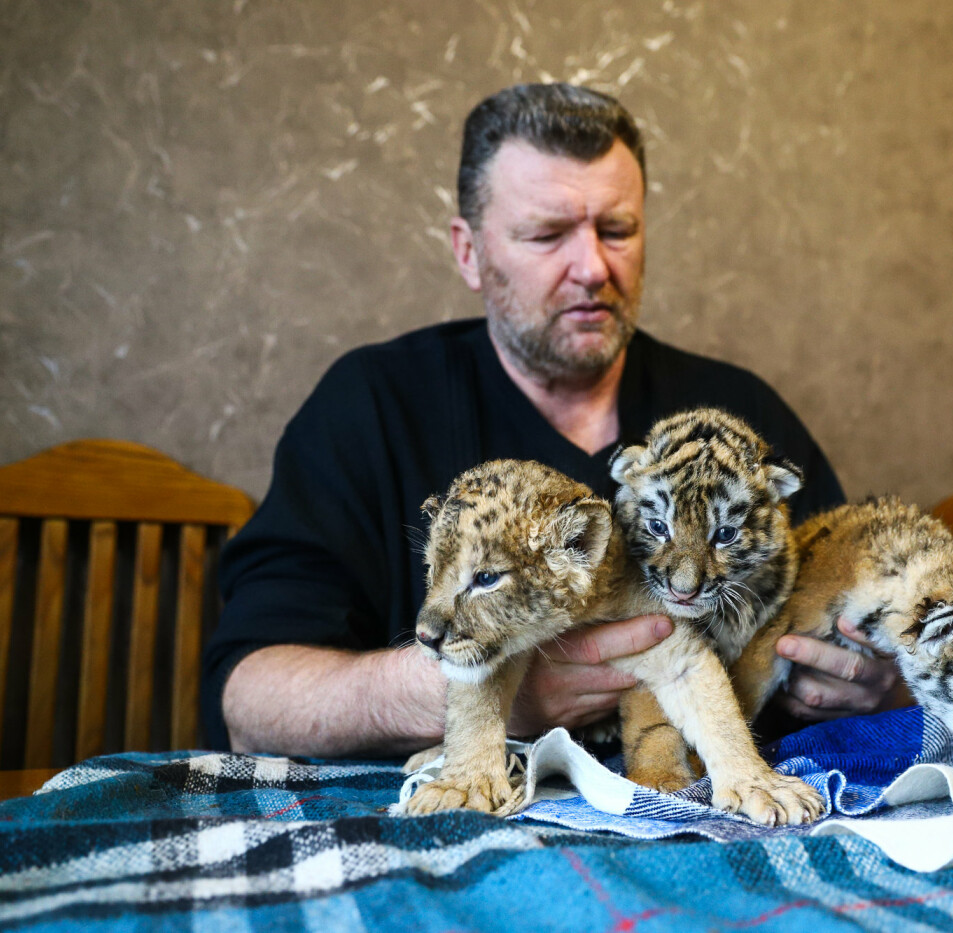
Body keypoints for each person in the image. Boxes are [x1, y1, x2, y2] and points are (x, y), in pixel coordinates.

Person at [202, 83, 902, 758]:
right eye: (547, 233)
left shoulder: (735, 421)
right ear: (468, 251)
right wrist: (481, 683)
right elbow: (249, 698)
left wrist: (881, 678)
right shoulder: (370, 404)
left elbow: (864, 616)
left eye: (618, 229)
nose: (593, 266)